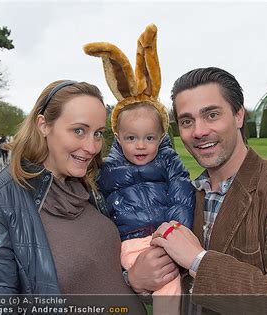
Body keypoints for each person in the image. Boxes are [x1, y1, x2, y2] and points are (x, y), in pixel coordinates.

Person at [148, 67, 267, 314]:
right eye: (187, 121)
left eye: (211, 115)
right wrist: (136, 281)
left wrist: (198, 261)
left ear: (239, 116)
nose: (199, 131)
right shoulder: (187, 194)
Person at [0, 80, 146, 313]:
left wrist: (133, 278)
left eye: (98, 133)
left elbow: (99, 272)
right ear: (43, 125)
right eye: (79, 130)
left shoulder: (91, 186)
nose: (92, 147)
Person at [86, 24, 194, 315]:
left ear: (160, 136)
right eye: (131, 138)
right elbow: (102, 212)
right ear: (118, 137)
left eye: (149, 138)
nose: (141, 146)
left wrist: (171, 233)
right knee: (160, 285)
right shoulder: (107, 170)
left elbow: (182, 197)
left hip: (167, 237)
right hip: (130, 243)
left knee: (171, 283)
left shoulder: (169, 162)